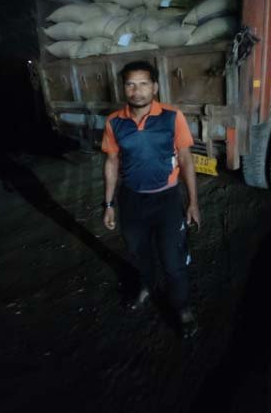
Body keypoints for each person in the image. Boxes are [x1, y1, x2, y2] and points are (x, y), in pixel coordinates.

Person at [101, 60, 201, 338]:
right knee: (139, 253)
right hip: (131, 201)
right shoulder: (114, 121)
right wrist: (108, 204)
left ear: (155, 87)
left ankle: (182, 308)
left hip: (167, 200)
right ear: (124, 88)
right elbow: (111, 162)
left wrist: (193, 202)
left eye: (144, 84)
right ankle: (146, 285)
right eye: (131, 85)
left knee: (172, 261)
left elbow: (186, 159)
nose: (137, 91)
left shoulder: (172, 117)